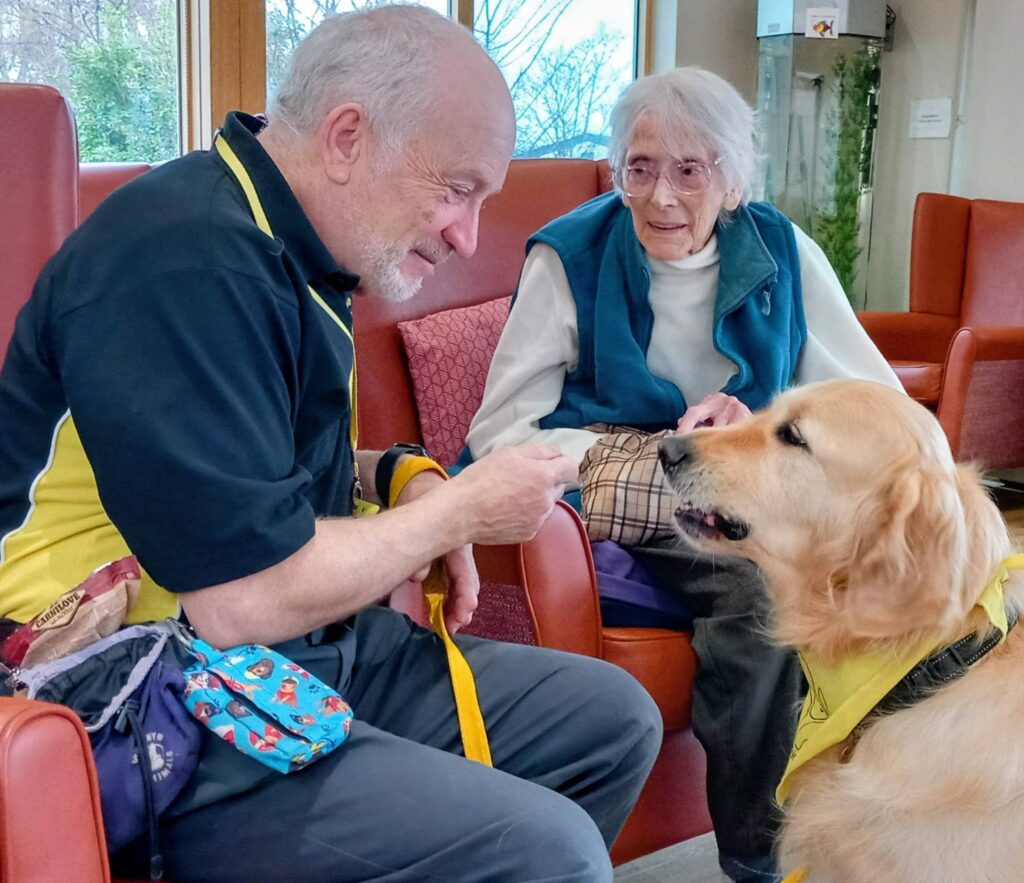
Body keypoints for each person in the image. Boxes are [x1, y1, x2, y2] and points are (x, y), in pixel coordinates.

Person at [0, 7, 663, 881]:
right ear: (348, 137)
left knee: (612, 720)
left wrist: (399, 474)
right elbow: (242, 597)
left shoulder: (294, 248)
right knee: (549, 850)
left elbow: (245, 462)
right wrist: (461, 507)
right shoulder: (181, 261)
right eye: (458, 189)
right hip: (148, 695)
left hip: (292, 649)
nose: (467, 236)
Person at [465, 67, 903, 882]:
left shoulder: (781, 250)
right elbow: (500, 430)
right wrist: (638, 453)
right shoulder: (569, 255)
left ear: (732, 182)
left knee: (874, 573)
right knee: (762, 593)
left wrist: (760, 425)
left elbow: (870, 399)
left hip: (754, 489)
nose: (660, 196)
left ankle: (872, 814)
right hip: (623, 490)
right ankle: (758, 858)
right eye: (639, 168)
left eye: (689, 171)